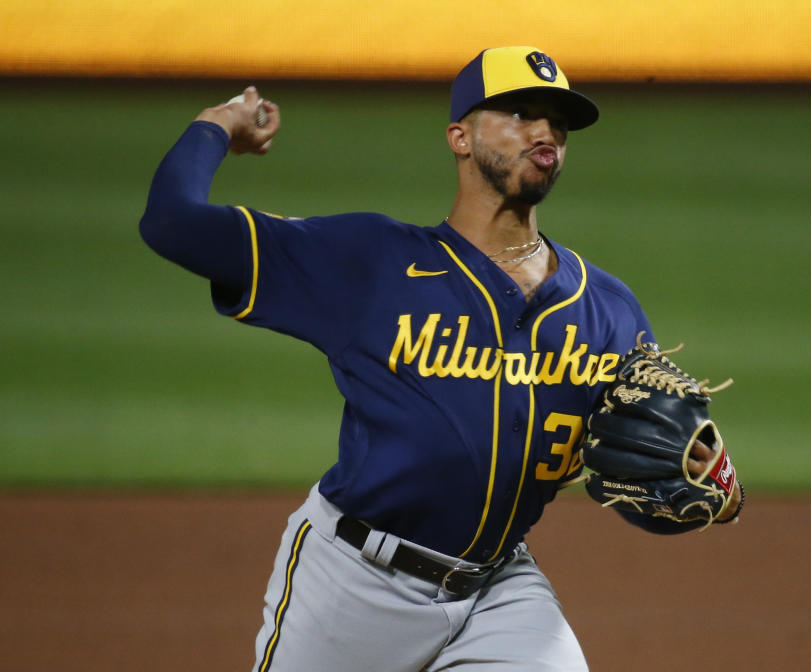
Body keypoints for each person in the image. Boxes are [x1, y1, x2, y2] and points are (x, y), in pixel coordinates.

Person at [140, 46, 741, 672]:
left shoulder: (608, 308)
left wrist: (711, 478)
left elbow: (640, 466)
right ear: (459, 136)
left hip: (497, 591)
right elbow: (172, 224)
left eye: (557, 121)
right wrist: (217, 124)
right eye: (517, 113)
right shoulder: (370, 260)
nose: (544, 132)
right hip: (353, 585)